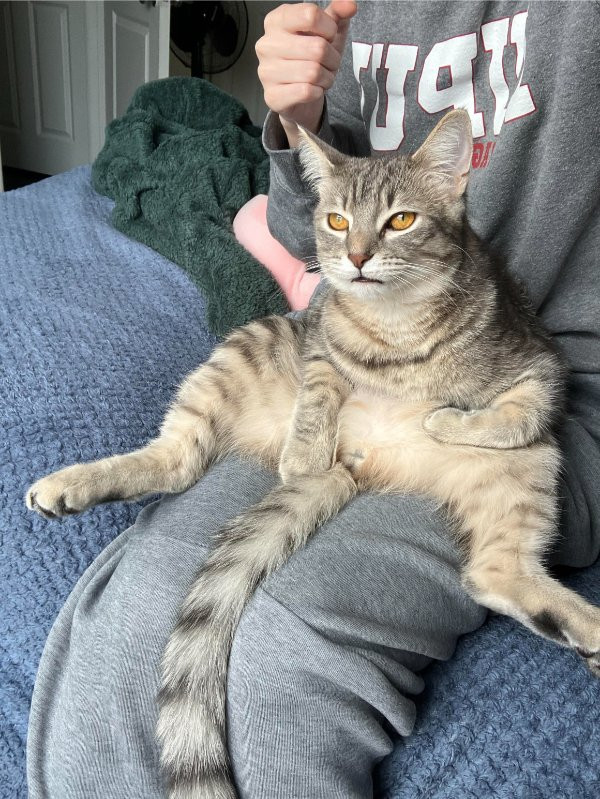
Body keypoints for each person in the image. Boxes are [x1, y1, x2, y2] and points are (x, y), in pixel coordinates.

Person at [27, 2, 600, 798]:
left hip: (513, 386)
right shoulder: (358, 12)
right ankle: (171, 455)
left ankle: (511, 574)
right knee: (134, 618)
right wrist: (300, 115)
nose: (360, 250)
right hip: (351, 354)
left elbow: (528, 372)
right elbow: (316, 238)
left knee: (279, 653)